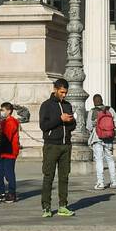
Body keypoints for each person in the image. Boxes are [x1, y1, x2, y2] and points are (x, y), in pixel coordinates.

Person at [38, 78, 76, 218]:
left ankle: (63, 206)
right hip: (51, 145)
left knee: (64, 177)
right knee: (48, 176)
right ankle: (46, 207)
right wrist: (60, 119)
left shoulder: (68, 105)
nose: (64, 95)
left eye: (66, 92)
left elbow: (73, 126)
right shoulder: (46, 105)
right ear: (55, 89)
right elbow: (44, 126)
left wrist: (70, 121)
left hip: (66, 145)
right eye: (62, 92)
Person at [0, 101, 22, 202]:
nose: (1, 112)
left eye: (3, 110)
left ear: (9, 111)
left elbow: (6, 138)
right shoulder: (4, 122)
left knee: (9, 173)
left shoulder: (11, 122)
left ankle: (12, 193)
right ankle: (1, 192)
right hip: (3, 151)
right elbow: (2, 138)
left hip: (10, 150)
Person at [88, 93, 116, 191]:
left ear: (94, 102)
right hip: (109, 138)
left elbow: (88, 127)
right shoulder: (110, 109)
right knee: (110, 159)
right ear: (102, 100)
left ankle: (100, 183)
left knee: (99, 160)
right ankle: (114, 182)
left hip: (97, 138)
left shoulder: (92, 111)